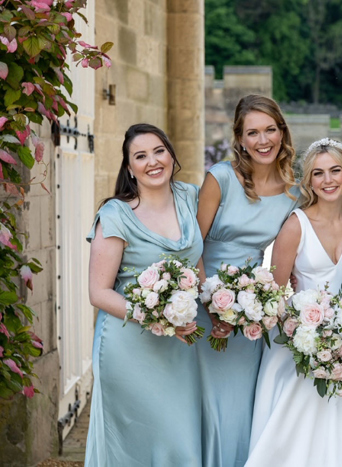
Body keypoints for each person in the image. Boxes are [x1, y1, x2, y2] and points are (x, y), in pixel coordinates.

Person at [246, 138, 342, 467]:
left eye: (335, 171)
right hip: (299, 344)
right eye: (318, 173)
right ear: (309, 180)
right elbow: (273, 295)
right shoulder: (295, 225)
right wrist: (305, 333)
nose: (328, 180)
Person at [85, 124, 203, 466]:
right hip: (129, 347)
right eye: (140, 156)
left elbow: (201, 260)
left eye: (159, 151)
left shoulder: (191, 197)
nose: (152, 161)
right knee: (136, 443)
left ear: (171, 154)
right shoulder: (115, 215)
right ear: (129, 168)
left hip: (180, 349)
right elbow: (98, 292)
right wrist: (158, 318)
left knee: (181, 439)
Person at [195, 95, 299, 467]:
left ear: (282, 132)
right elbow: (193, 247)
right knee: (204, 403)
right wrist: (212, 303)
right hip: (202, 305)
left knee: (240, 405)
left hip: (250, 312)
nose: (263, 140)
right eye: (252, 132)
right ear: (239, 139)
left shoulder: (293, 193)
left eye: (270, 129)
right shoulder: (220, 177)